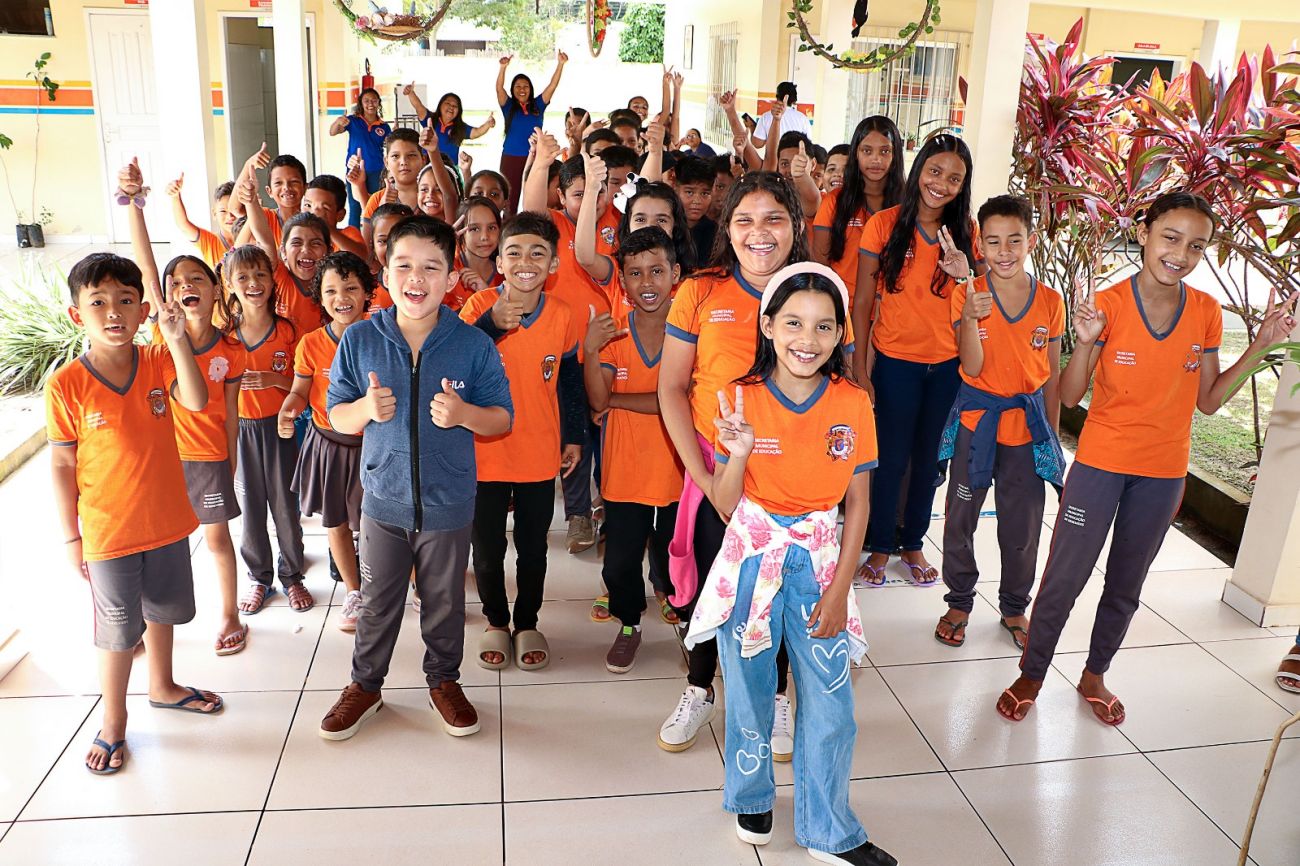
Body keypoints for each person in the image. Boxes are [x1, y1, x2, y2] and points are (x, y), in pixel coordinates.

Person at [997, 191, 1299, 725]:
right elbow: (1071, 395)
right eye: (1170, 238)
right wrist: (1085, 342)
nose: (1180, 254)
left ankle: (1095, 673)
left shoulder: (1205, 311)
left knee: (1126, 582)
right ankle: (1032, 672)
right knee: (1064, 576)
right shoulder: (1109, 304)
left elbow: (1209, 401)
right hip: (1100, 466)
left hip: (1162, 474)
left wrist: (1260, 345)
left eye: (1196, 246)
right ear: (1143, 233)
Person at [685, 262, 894, 866]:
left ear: (840, 334)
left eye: (824, 326)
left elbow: (859, 504)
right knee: (748, 690)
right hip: (751, 561)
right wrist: (737, 453)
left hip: (820, 563)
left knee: (831, 701)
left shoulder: (853, 403)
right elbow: (726, 503)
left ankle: (829, 828)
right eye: (794, 323)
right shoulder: (740, 398)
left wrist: (840, 590)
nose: (808, 339)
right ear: (768, 326)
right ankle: (751, 795)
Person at [318, 215, 513, 740]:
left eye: (431, 267)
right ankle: (365, 685)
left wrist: (464, 414)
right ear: (385, 274)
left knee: (444, 602)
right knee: (377, 601)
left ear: (450, 277)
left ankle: (443, 680)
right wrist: (364, 409)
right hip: (382, 501)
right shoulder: (360, 339)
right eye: (404, 265)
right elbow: (335, 414)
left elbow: (502, 418)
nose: (416, 278)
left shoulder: (472, 345)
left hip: (449, 503)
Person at [658, 172, 822, 757]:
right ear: (727, 228)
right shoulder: (699, 292)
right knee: (712, 586)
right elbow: (672, 388)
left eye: (774, 218)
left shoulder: (815, 292)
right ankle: (700, 686)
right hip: (716, 471)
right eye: (745, 220)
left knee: (779, 588)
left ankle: (776, 694)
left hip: (788, 476)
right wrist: (704, 478)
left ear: (795, 225)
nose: (760, 233)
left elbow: (836, 385)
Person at [48, 252, 223, 776]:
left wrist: (175, 339)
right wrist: (72, 537)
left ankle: (163, 685)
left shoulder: (157, 359)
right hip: (109, 532)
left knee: (164, 610)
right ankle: (113, 719)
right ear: (77, 314)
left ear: (143, 309)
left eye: (126, 300)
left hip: (166, 520)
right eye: (98, 302)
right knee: (118, 629)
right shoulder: (66, 384)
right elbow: (62, 462)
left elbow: (196, 399)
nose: (113, 312)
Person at [120, 160, 248, 657]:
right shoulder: (162, 334)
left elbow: (231, 414)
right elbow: (146, 267)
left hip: (209, 458)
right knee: (152, 546)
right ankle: (139, 624)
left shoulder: (231, 351)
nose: (184, 285)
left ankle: (230, 613)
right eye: (176, 282)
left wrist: (230, 463)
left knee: (216, 541)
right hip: (161, 460)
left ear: (216, 289)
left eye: (196, 278)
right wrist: (135, 204)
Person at [935, 195, 1064, 650]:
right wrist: (970, 317)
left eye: (1014, 240)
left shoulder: (1050, 301)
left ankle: (1014, 605)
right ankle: (959, 601)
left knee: (1023, 526)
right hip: (977, 423)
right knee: (961, 517)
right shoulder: (966, 294)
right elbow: (971, 366)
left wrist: (1050, 440)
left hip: (1027, 431)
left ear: (1031, 241)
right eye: (993, 242)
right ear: (980, 245)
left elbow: (1051, 377)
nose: (1004, 251)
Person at [459, 212, 586, 672]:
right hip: (484, 453)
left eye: (537, 253)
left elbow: (568, 379)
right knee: (487, 547)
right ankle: (496, 621)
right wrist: (492, 324)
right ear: (499, 261)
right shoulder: (477, 307)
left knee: (534, 547)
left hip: (538, 452)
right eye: (513, 252)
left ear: (553, 264)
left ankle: (528, 621)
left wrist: (574, 435)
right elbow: (454, 364)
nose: (525, 262)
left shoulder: (563, 314)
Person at [851, 134, 979, 587]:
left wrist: (966, 272)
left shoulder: (966, 232)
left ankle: (913, 542)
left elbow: (979, 302)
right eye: (935, 171)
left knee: (929, 461)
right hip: (895, 364)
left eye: (954, 179)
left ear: (963, 186)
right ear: (919, 170)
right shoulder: (884, 225)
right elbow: (862, 303)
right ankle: (880, 545)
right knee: (888, 459)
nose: (941, 184)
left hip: (947, 369)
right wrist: (860, 369)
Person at [584, 227, 685, 670]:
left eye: (657, 271)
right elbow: (597, 400)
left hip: (679, 472)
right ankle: (629, 623)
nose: (647, 282)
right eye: (636, 273)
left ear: (675, 274)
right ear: (622, 280)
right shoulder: (615, 333)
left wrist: (621, 401)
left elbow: (682, 399)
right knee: (619, 562)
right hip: (624, 473)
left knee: (678, 556)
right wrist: (591, 351)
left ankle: (689, 622)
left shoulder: (691, 332)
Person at [525, 134, 618, 554]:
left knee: (608, 436)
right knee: (574, 435)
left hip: (610, 352)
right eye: (579, 194)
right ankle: (578, 513)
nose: (592, 201)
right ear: (560, 197)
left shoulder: (618, 224)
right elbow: (530, 210)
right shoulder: (553, 225)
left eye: (598, 191)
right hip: (565, 354)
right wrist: (541, 162)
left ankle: (609, 507)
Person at [277, 251, 374, 632]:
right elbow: (300, 390)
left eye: (351, 288)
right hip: (330, 446)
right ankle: (354, 591)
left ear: (367, 292)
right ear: (320, 297)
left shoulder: (383, 336)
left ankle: (413, 582)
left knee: (385, 522)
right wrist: (289, 408)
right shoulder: (311, 344)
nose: (341, 298)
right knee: (336, 523)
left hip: (375, 446)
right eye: (331, 290)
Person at [221, 242, 312, 615]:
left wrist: (275, 379)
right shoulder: (224, 335)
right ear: (229, 285)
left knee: (286, 508)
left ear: (273, 281)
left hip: (281, 430)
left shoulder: (287, 332)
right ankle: (260, 578)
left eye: (260, 274)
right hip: (240, 432)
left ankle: (293, 576)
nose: (253, 283)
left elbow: (305, 384)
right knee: (251, 508)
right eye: (243, 277)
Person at [813, 117, 905, 311]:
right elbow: (820, 269)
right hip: (842, 309)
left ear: (896, 154)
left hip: (890, 314)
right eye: (867, 151)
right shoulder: (834, 203)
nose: (876, 159)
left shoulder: (907, 206)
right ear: (855, 153)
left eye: (885, 151)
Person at [241, 179, 331, 344]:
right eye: (296, 243)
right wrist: (251, 201)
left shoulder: (333, 285)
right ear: (283, 251)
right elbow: (265, 240)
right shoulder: (278, 276)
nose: (306, 250)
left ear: (329, 250)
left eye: (315, 243)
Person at [496, 51, 568, 214]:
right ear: (513, 89)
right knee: (510, 200)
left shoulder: (538, 105)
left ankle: (533, 225)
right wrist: (502, 68)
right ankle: (509, 225)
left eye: (525, 86)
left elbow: (552, 86)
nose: (522, 89)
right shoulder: (508, 106)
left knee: (535, 196)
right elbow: (499, 88)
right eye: (518, 86)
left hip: (536, 158)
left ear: (530, 89)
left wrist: (560, 64)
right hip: (511, 157)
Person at [329, 86, 392, 228]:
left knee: (374, 206)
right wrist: (338, 122)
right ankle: (354, 238)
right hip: (354, 171)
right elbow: (332, 132)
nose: (370, 104)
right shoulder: (353, 121)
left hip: (376, 171)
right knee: (355, 208)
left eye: (374, 101)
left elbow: (390, 146)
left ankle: (374, 236)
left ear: (378, 103)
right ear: (361, 104)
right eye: (366, 101)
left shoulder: (384, 127)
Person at [231, 147, 307, 247]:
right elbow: (235, 209)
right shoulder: (264, 217)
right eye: (278, 183)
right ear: (269, 191)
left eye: (294, 182)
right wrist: (248, 165)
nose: (286, 187)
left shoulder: (313, 220)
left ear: (305, 187)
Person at [359, 129, 425, 239]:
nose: (403, 162)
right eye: (395, 156)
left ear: (423, 160)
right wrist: (381, 211)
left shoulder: (431, 196)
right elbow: (367, 246)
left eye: (411, 155)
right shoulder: (377, 199)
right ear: (386, 162)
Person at [406, 87, 495, 163]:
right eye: (448, 103)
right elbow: (418, 106)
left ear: (458, 111)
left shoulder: (460, 127)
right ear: (440, 105)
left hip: (450, 169)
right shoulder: (430, 119)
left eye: (455, 106)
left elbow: (476, 132)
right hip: (427, 166)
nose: (451, 107)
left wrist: (488, 124)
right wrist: (410, 93)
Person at [164, 176, 236, 270]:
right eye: (223, 211)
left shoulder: (253, 235)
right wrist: (175, 196)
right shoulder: (210, 242)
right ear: (214, 213)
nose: (230, 216)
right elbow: (183, 225)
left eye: (235, 210)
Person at [448, 195, 504, 312]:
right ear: (461, 233)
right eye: (474, 229)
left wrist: (485, 293)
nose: (484, 237)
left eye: (492, 228)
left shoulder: (506, 274)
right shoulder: (447, 269)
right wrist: (440, 246)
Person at [302, 175, 369, 259]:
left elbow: (362, 257)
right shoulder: (296, 234)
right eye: (308, 205)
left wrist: (327, 228)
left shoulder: (347, 234)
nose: (313, 213)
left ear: (340, 215)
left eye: (325, 208)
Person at [674, 156, 718, 261]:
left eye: (705, 193)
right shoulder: (666, 227)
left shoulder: (716, 233)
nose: (697, 201)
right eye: (689, 192)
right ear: (675, 189)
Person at [751, 81, 812, 150]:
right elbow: (808, 145)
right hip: (794, 156)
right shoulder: (803, 118)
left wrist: (751, 127)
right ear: (794, 100)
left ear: (777, 97)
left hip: (772, 156)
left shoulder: (766, 116)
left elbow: (758, 143)